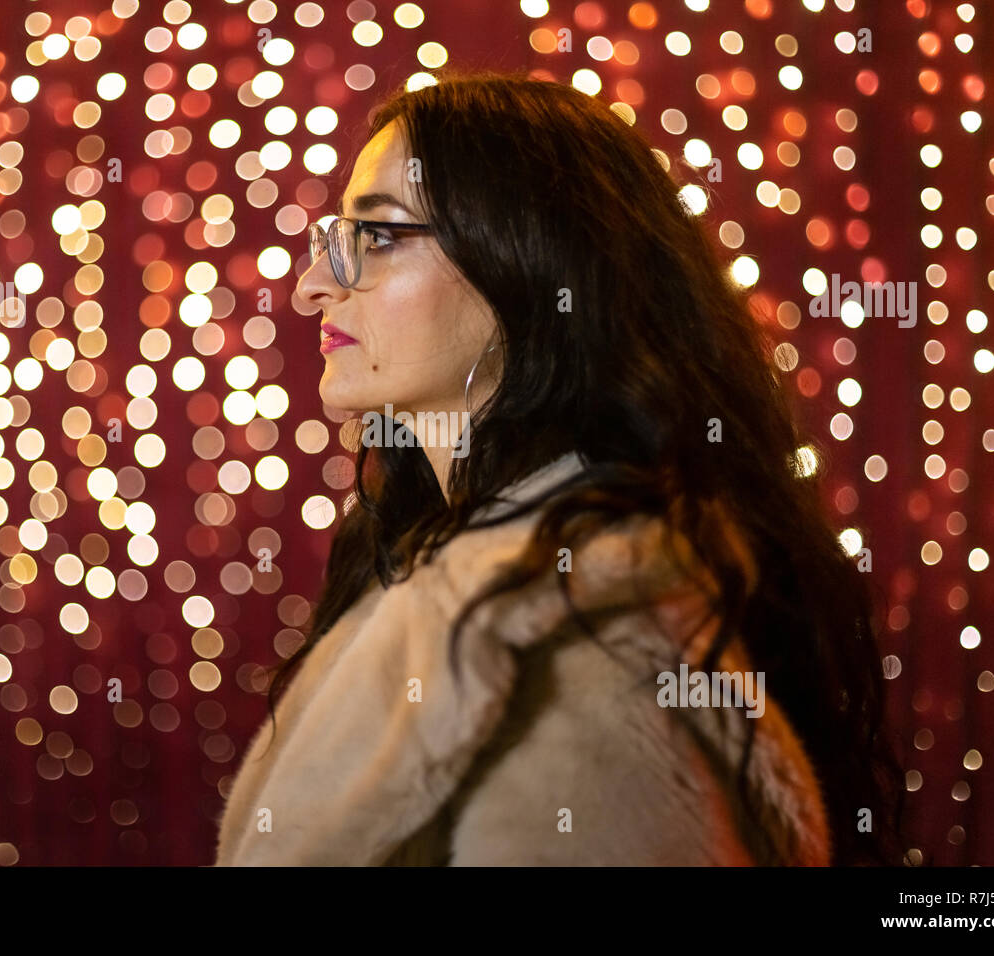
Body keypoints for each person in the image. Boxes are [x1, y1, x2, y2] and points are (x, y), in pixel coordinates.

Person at [214, 71, 904, 866]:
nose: (311, 287)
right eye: (332, 241)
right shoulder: (449, 582)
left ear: (532, 267)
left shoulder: (580, 659)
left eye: (379, 236)